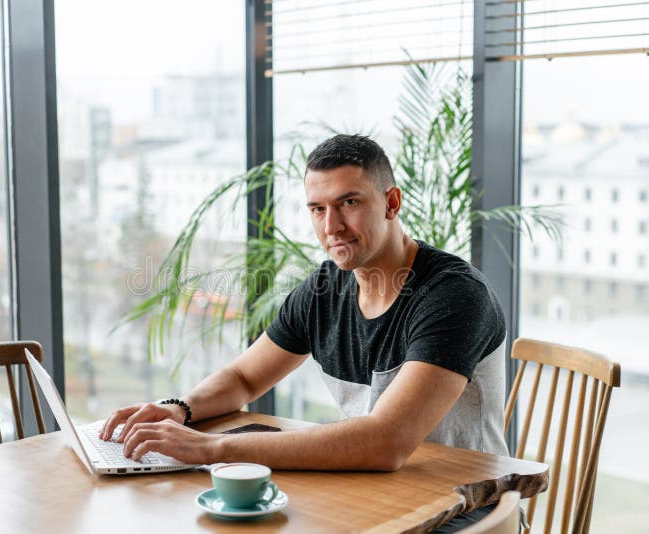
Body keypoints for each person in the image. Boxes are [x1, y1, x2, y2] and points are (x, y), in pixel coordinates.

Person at [100, 134, 509, 530]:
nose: (332, 226)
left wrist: (211, 449)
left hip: (467, 512)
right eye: (317, 209)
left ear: (391, 203)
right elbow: (244, 378)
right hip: (375, 499)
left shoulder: (454, 295)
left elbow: (387, 441)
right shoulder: (324, 289)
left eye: (348, 202)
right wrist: (180, 408)